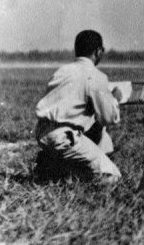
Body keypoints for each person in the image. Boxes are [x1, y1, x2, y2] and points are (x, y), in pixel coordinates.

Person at [33, 30, 122, 184]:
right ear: (98, 51)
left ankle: (53, 163)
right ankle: (60, 172)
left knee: (97, 128)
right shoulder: (97, 76)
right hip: (64, 138)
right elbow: (109, 118)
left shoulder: (62, 71)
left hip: (43, 132)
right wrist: (115, 99)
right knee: (111, 176)